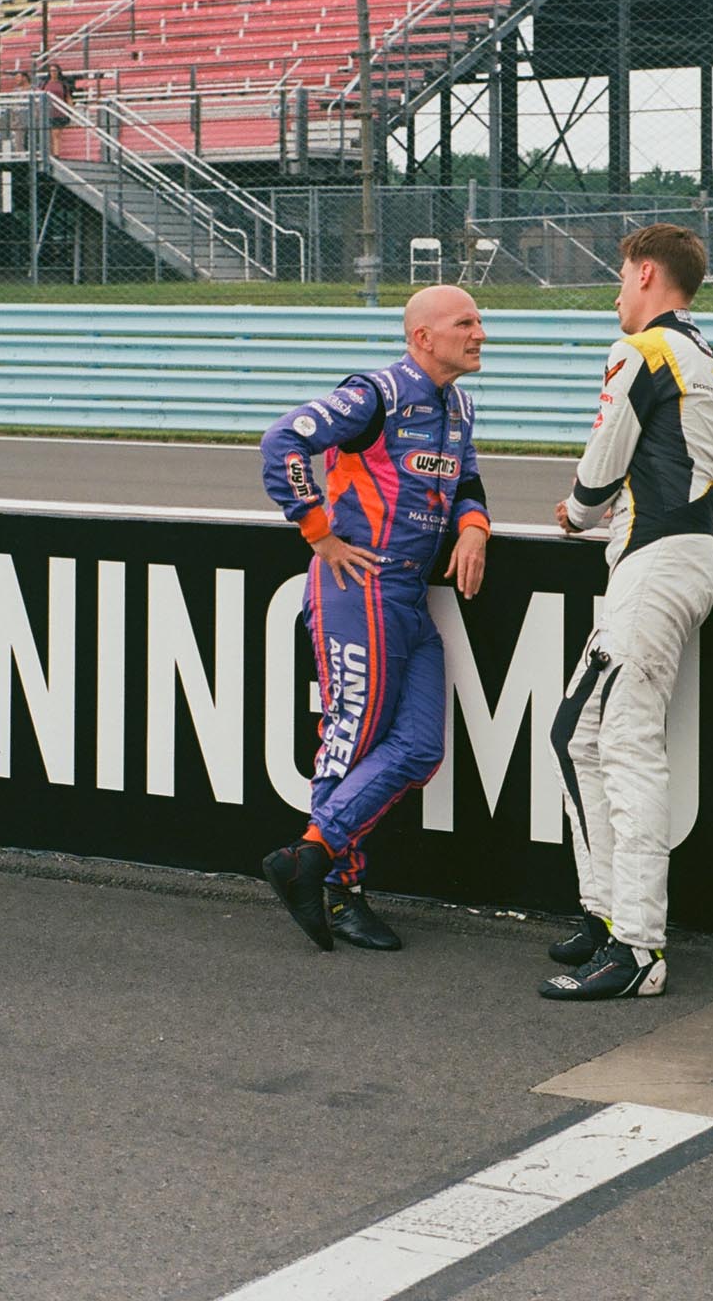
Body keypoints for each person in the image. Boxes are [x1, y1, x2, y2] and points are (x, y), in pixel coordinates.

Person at [541, 224, 713, 1001]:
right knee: (575, 734)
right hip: (681, 558)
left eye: (622, 278)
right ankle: (603, 914)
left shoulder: (646, 350)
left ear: (649, 274)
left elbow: (604, 461)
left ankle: (639, 948)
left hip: (654, 562)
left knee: (626, 745)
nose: (617, 294)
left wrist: (572, 512)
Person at [259, 286, 490, 953]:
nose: (480, 334)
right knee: (351, 737)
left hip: (409, 596)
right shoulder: (376, 394)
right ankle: (338, 893)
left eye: (479, 322)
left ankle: (308, 857)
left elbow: (465, 479)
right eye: (465, 323)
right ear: (423, 336)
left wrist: (474, 529)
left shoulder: (459, 405)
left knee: (419, 746)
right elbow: (283, 443)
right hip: (356, 587)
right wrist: (317, 531)